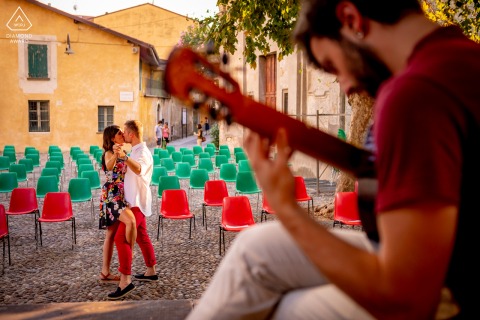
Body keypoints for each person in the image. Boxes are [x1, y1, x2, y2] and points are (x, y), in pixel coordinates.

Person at [186, 0, 480, 319]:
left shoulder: (414, 95)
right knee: (254, 248)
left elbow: (406, 300)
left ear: (352, 18)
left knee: (289, 309)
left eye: (333, 67)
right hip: (444, 248)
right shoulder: (462, 59)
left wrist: (285, 207)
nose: (346, 86)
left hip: (447, 288)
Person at [107, 120, 158, 300]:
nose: (124, 134)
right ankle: (151, 270)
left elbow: (140, 169)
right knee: (142, 236)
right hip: (132, 202)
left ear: (131, 134)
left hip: (137, 202)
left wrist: (125, 158)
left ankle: (125, 281)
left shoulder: (142, 152)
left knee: (121, 238)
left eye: (125, 132)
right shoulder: (134, 150)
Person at [98, 125, 137, 283]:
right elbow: (109, 166)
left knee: (111, 234)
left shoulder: (124, 153)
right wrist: (115, 154)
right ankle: (130, 253)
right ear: (113, 138)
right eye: (119, 133)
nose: (122, 135)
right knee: (130, 221)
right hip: (111, 195)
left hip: (120, 194)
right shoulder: (108, 153)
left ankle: (105, 272)